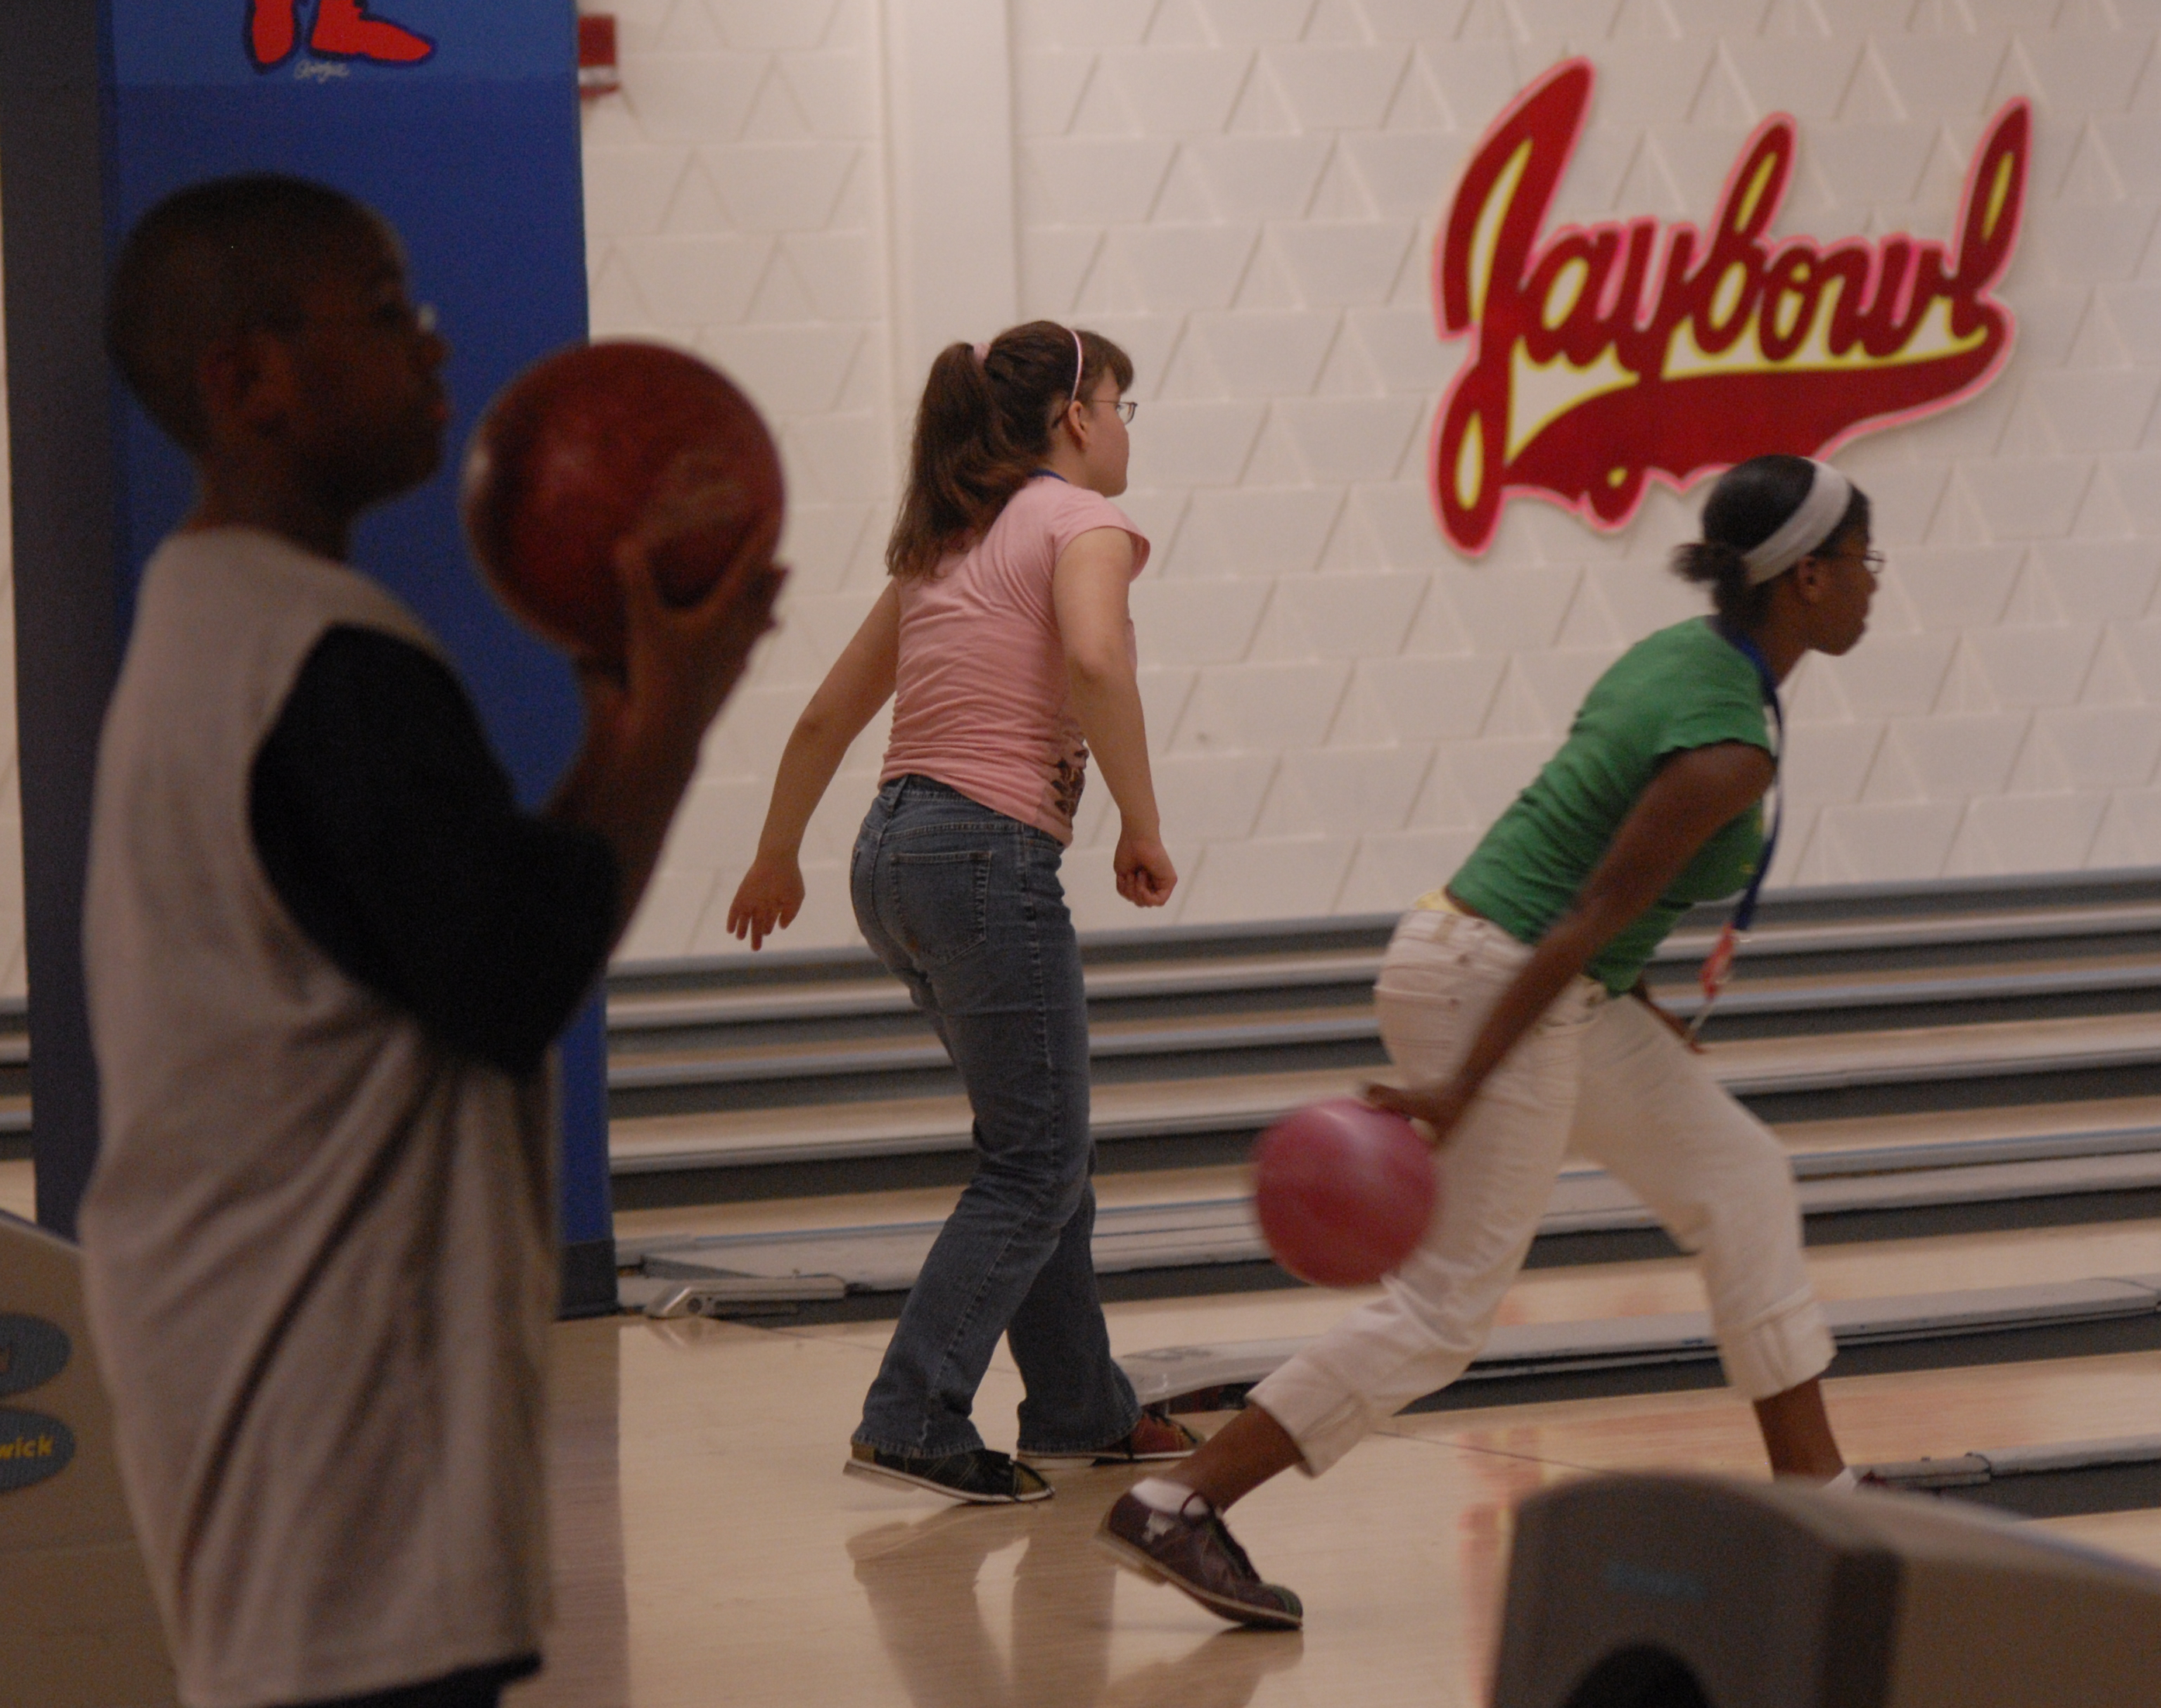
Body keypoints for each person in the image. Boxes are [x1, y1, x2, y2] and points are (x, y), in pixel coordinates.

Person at [78, 175, 781, 1708]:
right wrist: (675, 723)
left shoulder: (222, 629)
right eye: (388, 310)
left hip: (269, 1372)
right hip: (328, 1397)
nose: (435, 346)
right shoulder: (319, 661)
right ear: (248, 381)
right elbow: (512, 977)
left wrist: (623, 728)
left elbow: (483, 918)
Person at [1098, 455, 1883, 1630]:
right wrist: (1462, 1082)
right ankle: (1178, 1501)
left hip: (1516, 973)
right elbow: (1590, 906)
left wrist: (1634, 1004)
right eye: (1865, 560)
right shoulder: (1729, 743)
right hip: (1498, 982)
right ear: (1809, 576)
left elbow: (1587, 869)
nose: (1874, 583)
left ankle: (1819, 1494)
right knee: (1445, 1309)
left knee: (1741, 1176)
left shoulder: (1688, 661)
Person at [725, 319, 1190, 1504]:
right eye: (1123, 404)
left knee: (1043, 1146)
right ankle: (911, 1415)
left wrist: (776, 853)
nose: (1127, 428)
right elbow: (1096, 661)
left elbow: (826, 714)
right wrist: (1140, 822)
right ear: (1076, 416)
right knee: (1035, 1159)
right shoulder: (1083, 524)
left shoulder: (948, 538)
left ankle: (1079, 1407)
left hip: (890, 856)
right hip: (983, 856)